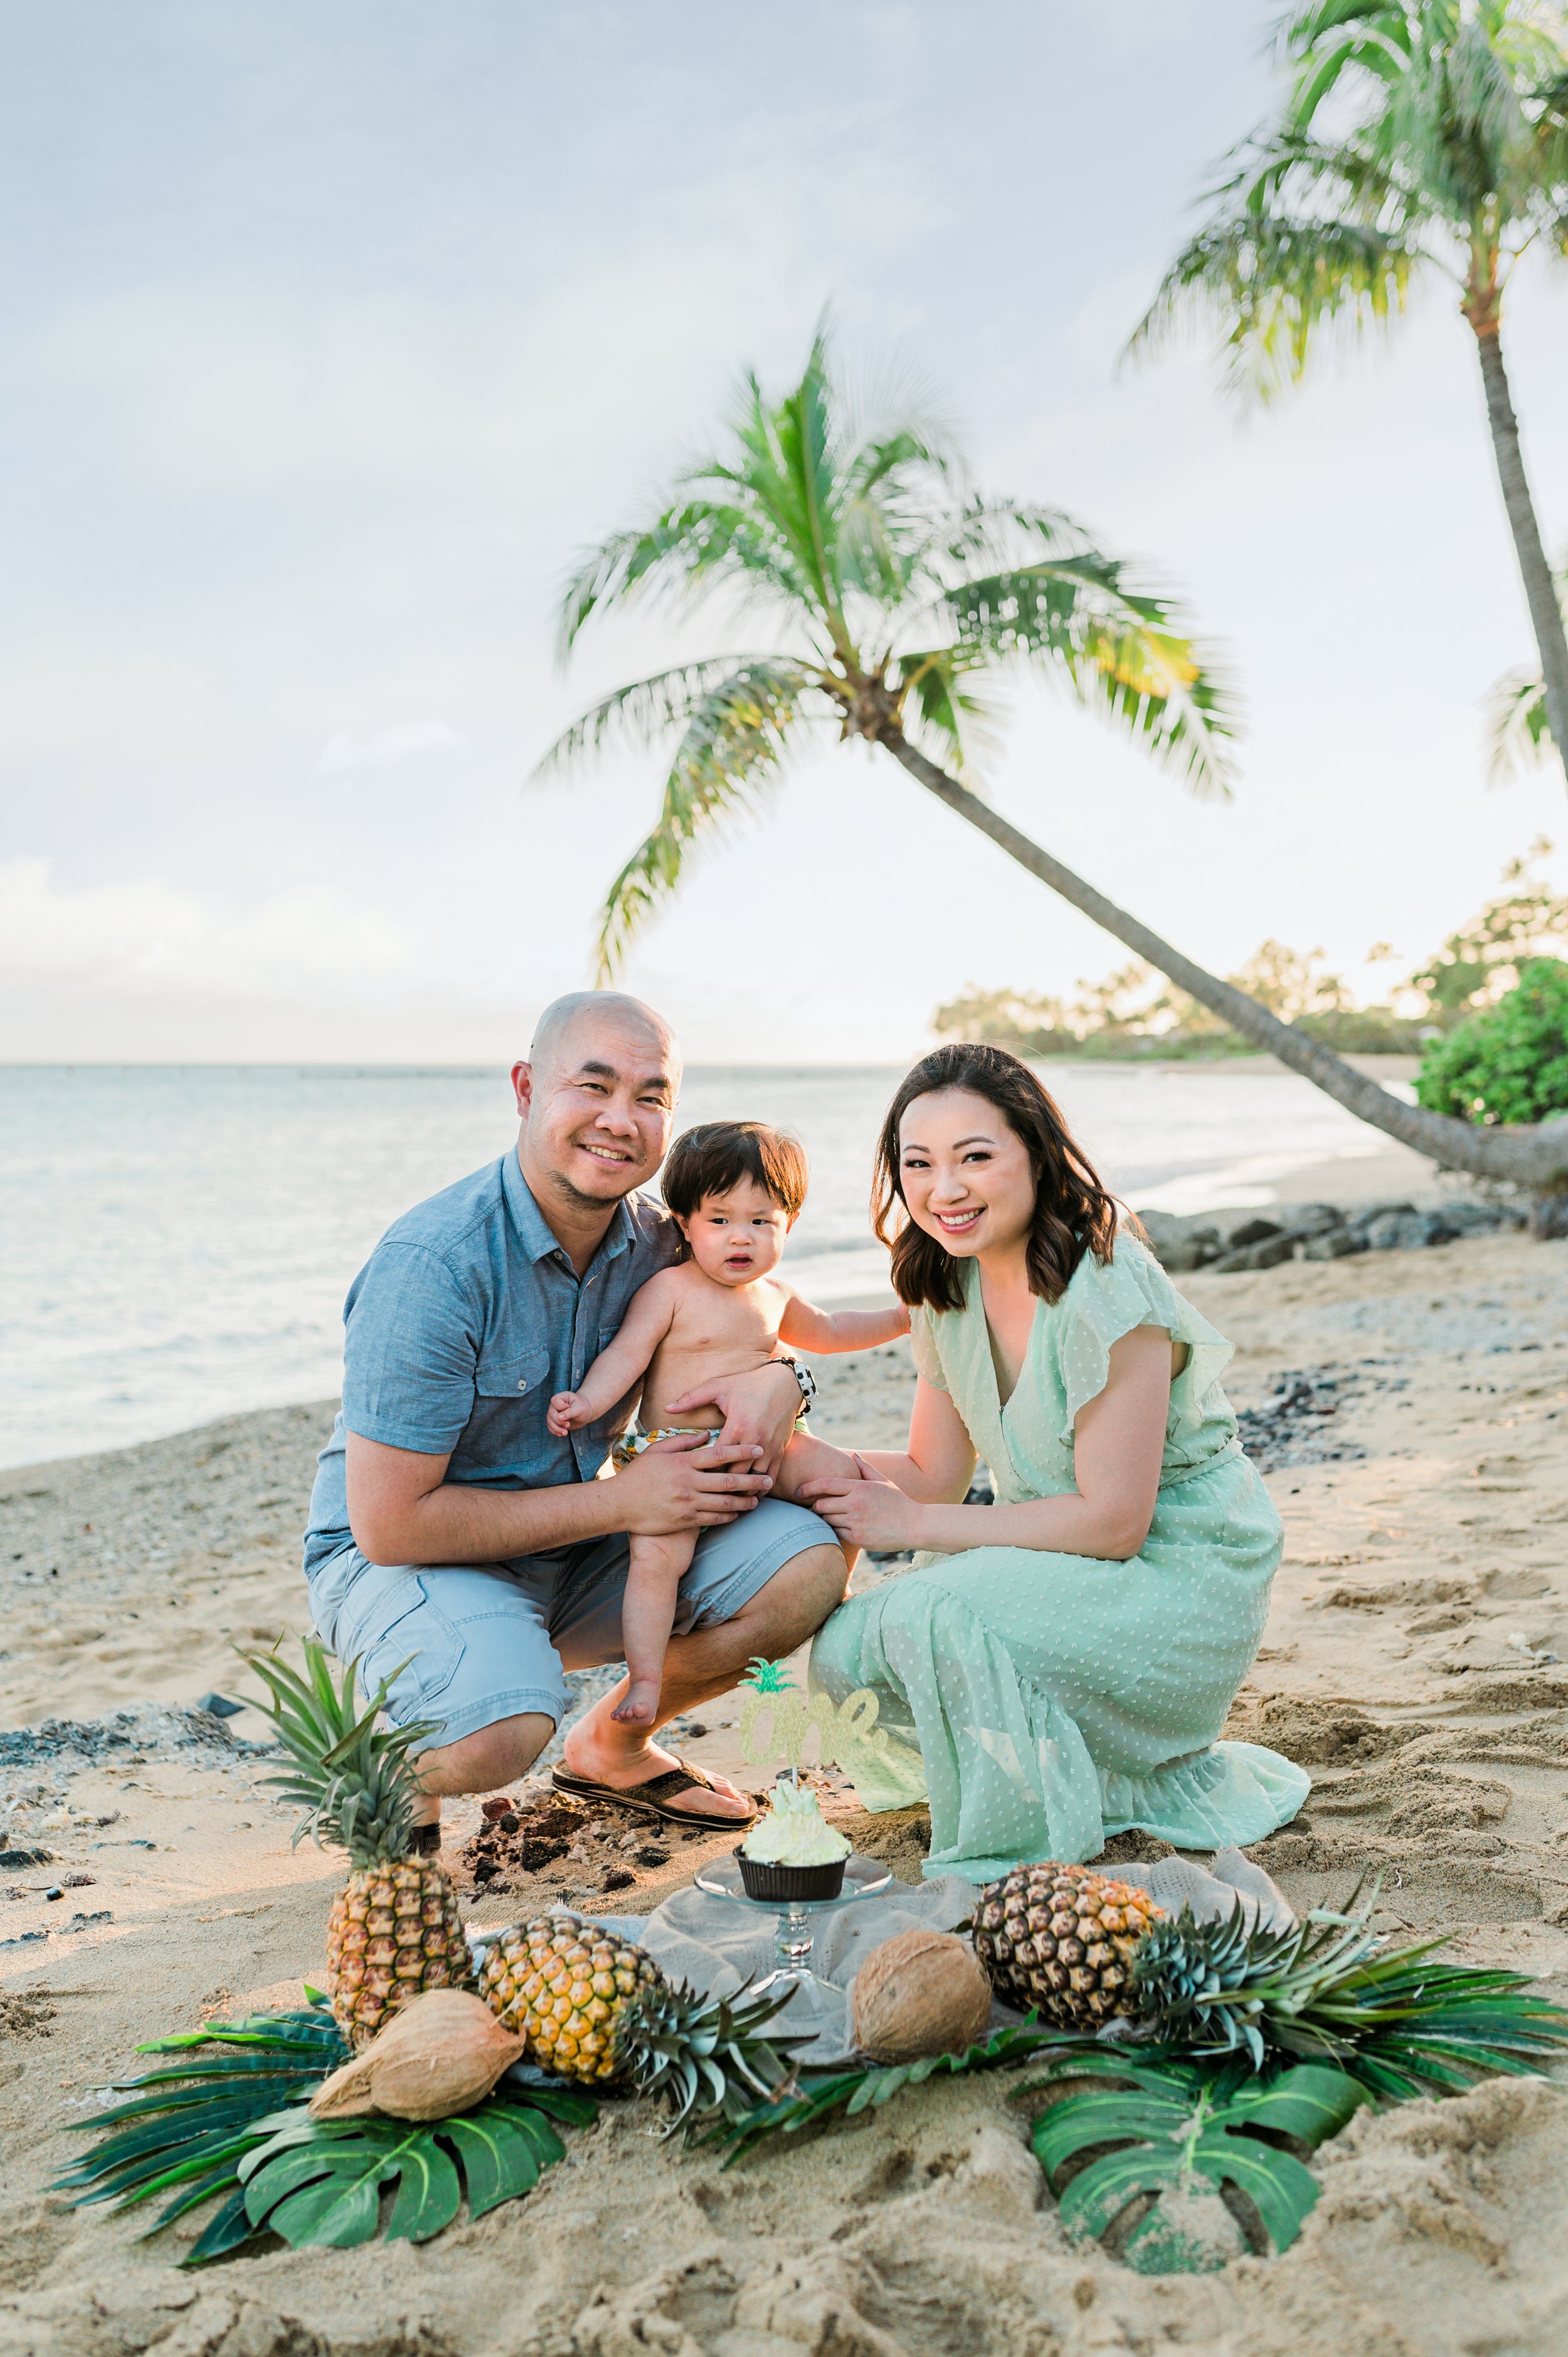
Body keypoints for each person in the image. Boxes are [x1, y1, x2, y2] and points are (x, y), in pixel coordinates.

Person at [301, 992, 851, 1844]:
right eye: (591, 1086)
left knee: (812, 1562)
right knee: (504, 1732)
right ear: (525, 1089)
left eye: (651, 1097)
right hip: (404, 1561)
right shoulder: (434, 1266)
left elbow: (770, 1320)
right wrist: (626, 1503)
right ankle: (385, 1759)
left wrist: (789, 1377)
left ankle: (614, 1748)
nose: (620, 1120)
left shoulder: (665, 1244)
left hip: (571, 1546)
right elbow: (387, 1525)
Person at [800, 1042, 1310, 1882]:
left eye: (975, 1157)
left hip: (1175, 1575)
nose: (944, 1189)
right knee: (844, 1654)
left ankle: (1033, 1831)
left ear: (1035, 1154)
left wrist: (915, 1526)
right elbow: (932, 1470)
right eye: (917, 1163)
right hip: (1050, 1559)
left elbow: (1115, 1522)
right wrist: (794, 1460)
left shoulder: (1106, 1283)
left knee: (927, 1616)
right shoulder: (946, 1286)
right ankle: (1070, 1770)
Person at [547, 1119, 910, 1726]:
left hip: (771, 1445)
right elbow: (627, 1356)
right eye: (720, 1220)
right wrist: (586, 1401)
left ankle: (838, 1591)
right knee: (657, 1564)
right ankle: (644, 1679)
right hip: (678, 1455)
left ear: (788, 1224)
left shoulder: (776, 1294)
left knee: (847, 1476)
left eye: (761, 1221)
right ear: (685, 1224)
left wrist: (900, 1320)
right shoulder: (670, 1289)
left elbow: (835, 1331)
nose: (740, 1237)